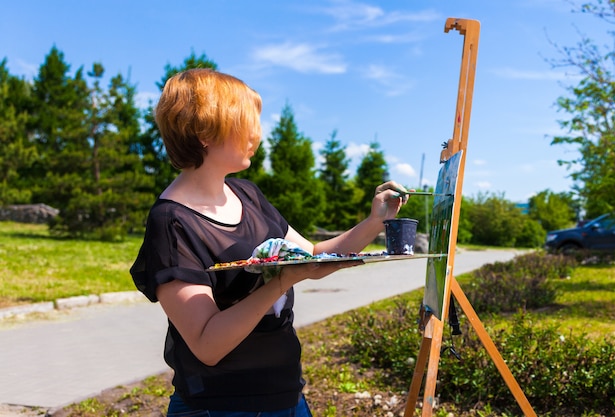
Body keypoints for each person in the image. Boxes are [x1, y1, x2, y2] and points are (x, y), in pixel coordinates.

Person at [130, 68, 409, 416]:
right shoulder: (172, 222)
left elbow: (314, 258)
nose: (256, 134)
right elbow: (207, 344)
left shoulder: (247, 195)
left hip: (288, 397)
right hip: (220, 408)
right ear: (204, 131)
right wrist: (280, 283)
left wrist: (375, 222)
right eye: (245, 122)